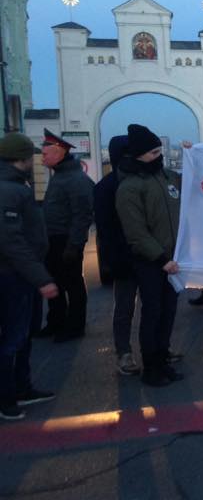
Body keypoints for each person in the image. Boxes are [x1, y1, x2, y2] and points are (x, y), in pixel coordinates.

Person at [115, 124, 185, 386]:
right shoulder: (130, 188)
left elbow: (194, 181)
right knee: (153, 312)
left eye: (160, 150)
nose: (160, 156)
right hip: (151, 262)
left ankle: (163, 358)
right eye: (154, 152)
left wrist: (193, 155)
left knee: (168, 311)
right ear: (139, 155)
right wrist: (161, 260)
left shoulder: (167, 177)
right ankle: (151, 366)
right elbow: (136, 232)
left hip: (173, 260)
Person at [0, 132, 58, 420]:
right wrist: (42, 278)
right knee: (13, 337)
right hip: (13, 276)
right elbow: (12, 242)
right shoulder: (11, 190)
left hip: (18, 273)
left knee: (21, 335)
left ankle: (21, 388)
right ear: (22, 158)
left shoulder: (13, 185)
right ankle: (7, 398)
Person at [36, 128, 94, 342]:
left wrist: (74, 245)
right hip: (53, 240)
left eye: (45, 153)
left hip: (66, 241)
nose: (42, 157)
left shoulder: (74, 179)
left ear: (59, 152)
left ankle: (75, 326)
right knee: (56, 283)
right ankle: (56, 322)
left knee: (72, 284)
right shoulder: (61, 175)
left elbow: (82, 215)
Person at [93, 135, 141, 375]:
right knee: (124, 308)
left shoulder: (142, 179)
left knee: (153, 307)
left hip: (147, 257)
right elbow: (105, 229)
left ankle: (156, 348)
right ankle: (124, 353)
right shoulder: (106, 187)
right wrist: (113, 261)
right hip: (125, 258)